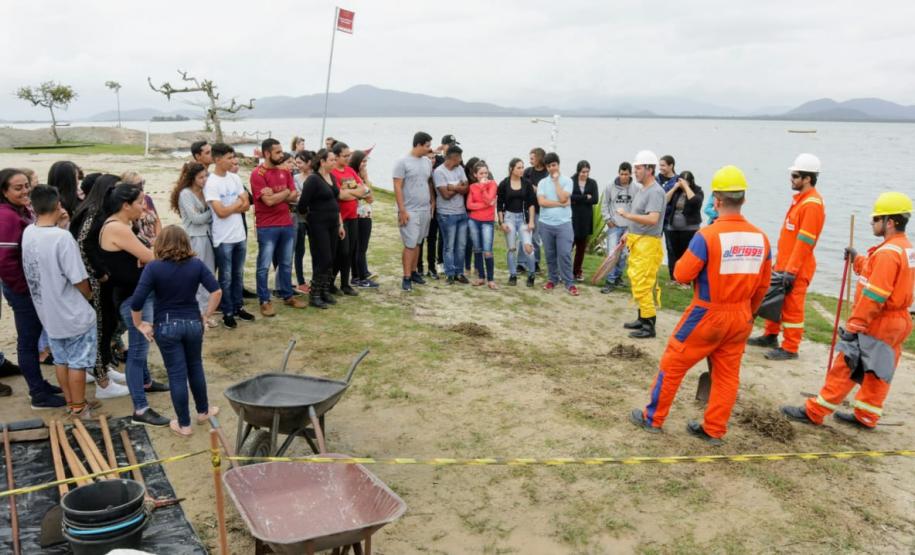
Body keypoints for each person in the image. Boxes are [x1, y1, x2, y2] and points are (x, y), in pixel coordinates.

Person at [630, 165, 771, 445]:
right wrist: (749, 315)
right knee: (727, 375)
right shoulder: (761, 239)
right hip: (741, 315)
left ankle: (653, 418)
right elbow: (763, 286)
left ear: (716, 201)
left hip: (707, 312)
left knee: (673, 363)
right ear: (743, 199)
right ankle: (714, 429)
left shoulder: (707, 236)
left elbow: (682, 274)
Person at [781, 192, 912, 430]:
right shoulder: (905, 249)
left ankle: (814, 411)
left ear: (890, 222)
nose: (872, 223)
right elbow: (880, 274)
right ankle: (867, 415)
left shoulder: (888, 254)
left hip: (878, 320)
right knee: (879, 368)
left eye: (875, 219)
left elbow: (875, 295)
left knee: (846, 364)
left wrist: (855, 325)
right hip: (899, 321)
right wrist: (858, 260)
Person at [131, 225, 222, 436]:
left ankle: (184, 425)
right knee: (195, 367)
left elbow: (136, 301)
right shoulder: (196, 265)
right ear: (185, 242)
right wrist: (206, 315)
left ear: (161, 244)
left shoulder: (153, 268)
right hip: (193, 323)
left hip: (166, 325)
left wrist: (139, 324)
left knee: (176, 374)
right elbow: (216, 291)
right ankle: (203, 411)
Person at [21, 186, 102, 419]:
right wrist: (88, 297)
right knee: (78, 363)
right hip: (72, 311)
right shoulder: (61, 238)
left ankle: (70, 402)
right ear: (58, 205)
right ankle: (79, 407)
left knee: (61, 359)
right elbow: (78, 278)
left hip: (48, 311)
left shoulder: (29, 232)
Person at [97, 183, 171, 426]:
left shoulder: (122, 225)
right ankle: (140, 409)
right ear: (125, 205)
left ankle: (146, 383)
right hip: (132, 299)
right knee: (138, 352)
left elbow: (145, 256)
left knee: (143, 345)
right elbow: (151, 256)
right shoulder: (118, 228)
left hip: (136, 293)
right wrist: (149, 255)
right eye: (140, 202)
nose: (144, 206)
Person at [747, 153, 825, 360]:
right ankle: (770, 335)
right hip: (784, 262)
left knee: (792, 308)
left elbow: (805, 241)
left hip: (797, 267)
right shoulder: (801, 201)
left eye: (796, 176)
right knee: (774, 300)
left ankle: (790, 347)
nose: (791, 179)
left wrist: (791, 270)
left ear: (807, 178)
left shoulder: (812, 205)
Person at [0, 169, 66, 409]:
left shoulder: (21, 210)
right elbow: (5, 261)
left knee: (33, 337)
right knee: (27, 342)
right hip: (22, 291)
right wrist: (25, 289)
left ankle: (39, 385)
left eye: (27, 185)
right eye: (18, 188)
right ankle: (37, 393)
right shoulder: (6, 216)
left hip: (30, 288)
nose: (25, 191)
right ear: (4, 191)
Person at [70, 174, 130, 398]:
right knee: (100, 327)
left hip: (103, 279)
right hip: (95, 281)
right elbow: (83, 242)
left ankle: (103, 368)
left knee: (108, 325)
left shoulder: (99, 209)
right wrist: (98, 273)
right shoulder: (94, 211)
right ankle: (102, 382)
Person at [250, 138, 306, 316]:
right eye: (278, 152)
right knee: (264, 265)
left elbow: (294, 196)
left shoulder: (284, 172)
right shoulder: (257, 174)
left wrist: (276, 194)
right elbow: (268, 201)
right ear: (267, 153)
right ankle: (264, 300)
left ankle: (287, 295)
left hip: (286, 223)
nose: (282, 155)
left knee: (286, 263)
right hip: (267, 226)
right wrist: (283, 194)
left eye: (282, 152)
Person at [204, 143, 255, 328]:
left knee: (238, 274)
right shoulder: (211, 183)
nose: (234, 161)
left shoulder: (234, 178)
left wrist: (231, 206)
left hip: (239, 235)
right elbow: (220, 212)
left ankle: (238, 306)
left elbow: (247, 203)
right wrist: (236, 205)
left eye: (234, 157)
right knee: (225, 277)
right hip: (223, 238)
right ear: (218, 160)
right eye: (229, 157)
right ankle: (227, 311)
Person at [618, 150, 667, 338]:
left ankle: (649, 326)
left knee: (644, 283)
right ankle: (642, 317)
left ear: (649, 169)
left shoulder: (655, 191)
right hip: (637, 240)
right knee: (637, 280)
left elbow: (653, 219)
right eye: (634, 168)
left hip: (648, 243)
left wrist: (627, 216)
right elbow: (639, 217)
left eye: (638, 168)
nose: (634, 172)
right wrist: (627, 232)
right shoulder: (642, 190)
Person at [170, 162, 219, 326]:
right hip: (195, 237)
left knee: (209, 274)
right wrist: (212, 211)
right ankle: (197, 312)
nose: (205, 180)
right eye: (200, 177)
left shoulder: (206, 191)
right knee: (196, 276)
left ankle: (206, 313)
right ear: (192, 178)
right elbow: (195, 219)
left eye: (206, 176)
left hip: (208, 235)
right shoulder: (185, 194)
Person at [297, 149, 344, 309]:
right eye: (331, 160)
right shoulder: (313, 180)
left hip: (333, 223)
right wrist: (312, 217)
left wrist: (340, 223)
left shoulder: (332, 177)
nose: (334, 162)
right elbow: (302, 205)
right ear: (322, 162)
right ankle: (314, 294)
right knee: (322, 258)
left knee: (330, 258)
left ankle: (324, 290)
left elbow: (335, 200)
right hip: (318, 224)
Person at [393, 132, 435, 292]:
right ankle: (406, 277)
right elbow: (397, 186)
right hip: (410, 209)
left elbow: (428, 182)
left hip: (424, 208)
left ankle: (414, 271)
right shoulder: (402, 161)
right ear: (418, 145)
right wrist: (402, 210)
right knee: (410, 244)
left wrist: (432, 201)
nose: (429, 149)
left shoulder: (426, 162)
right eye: (427, 146)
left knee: (418, 242)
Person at [330, 142, 370, 296]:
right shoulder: (332, 173)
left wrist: (351, 192)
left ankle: (345, 284)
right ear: (336, 156)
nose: (348, 158)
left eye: (349, 156)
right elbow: (339, 195)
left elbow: (365, 190)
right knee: (342, 252)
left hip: (353, 216)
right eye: (345, 156)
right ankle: (330, 281)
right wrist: (356, 192)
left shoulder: (350, 171)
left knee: (350, 251)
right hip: (339, 218)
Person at [536, 152, 578, 296]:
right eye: (549, 166)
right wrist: (560, 204)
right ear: (546, 167)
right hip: (545, 224)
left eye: (554, 165)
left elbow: (563, 196)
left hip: (564, 224)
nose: (552, 168)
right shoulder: (542, 183)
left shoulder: (568, 181)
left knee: (565, 253)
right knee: (550, 254)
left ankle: (569, 283)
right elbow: (542, 202)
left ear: (558, 165)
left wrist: (555, 182)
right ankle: (552, 279)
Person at [418, 135, 456, 280]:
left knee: (433, 238)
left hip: (436, 208)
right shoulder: (421, 169)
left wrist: (438, 151)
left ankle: (432, 268)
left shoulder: (439, 166)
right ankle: (419, 267)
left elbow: (450, 160)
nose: (432, 160)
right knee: (420, 239)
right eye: (429, 158)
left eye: (434, 158)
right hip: (422, 207)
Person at [433, 145, 470, 285]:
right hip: (447, 215)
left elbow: (466, 188)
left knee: (461, 245)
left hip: (461, 213)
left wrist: (452, 187)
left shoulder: (460, 169)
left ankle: (459, 272)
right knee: (449, 245)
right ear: (452, 158)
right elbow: (445, 195)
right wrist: (457, 187)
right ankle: (450, 273)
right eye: (459, 157)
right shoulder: (439, 172)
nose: (461, 160)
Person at [497, 157, 536, 287]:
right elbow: (499, 204)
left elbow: (531, 204)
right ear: (511, 169)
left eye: (522, 167)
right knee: (511, 248)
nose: (521, 170)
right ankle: (513, 275)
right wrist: (501, 222)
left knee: (528, 248)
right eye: (518, 167)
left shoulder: (527, 183)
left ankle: (531, 274)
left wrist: (531, 222)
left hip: (523, 219)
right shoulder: (504, 184)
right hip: (509, 218)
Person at [600, 162, 635, 293]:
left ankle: (617, 278)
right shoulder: (610, 186)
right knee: (612, 254)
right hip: (614, 226)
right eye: (621, 174)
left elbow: (638, 207)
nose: (623, 176)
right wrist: (607, 219)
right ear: (618, 173)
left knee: (623, 255)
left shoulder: (636, 188)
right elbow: (604, 203)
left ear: (630, 174)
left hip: (629, 227)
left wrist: (633, 225)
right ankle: (609, 282)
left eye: (626, 174)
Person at [663, 170, 705, 282]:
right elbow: (664, 200)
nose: (683, 183)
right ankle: (673, 278)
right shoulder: (676, 191)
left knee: (686, 254)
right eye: (682, 181)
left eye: (686, 181)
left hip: (689, 229)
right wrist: (675, 188)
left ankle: (685, 280)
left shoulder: (698, 191)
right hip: (673, 228)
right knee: (673, 254)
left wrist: (686, 187)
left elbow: (695, 202)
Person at [466, 162, 499, 289]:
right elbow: (469, 205)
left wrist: (484, 188)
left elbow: (489, 198)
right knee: (477, 249)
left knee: (487, 250)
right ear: (475, 175)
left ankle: (491, 279)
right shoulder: (472, 186)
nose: (484, 175)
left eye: (486, 172)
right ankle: (481, 277)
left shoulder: (492, 184)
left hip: (487, 222)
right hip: (474, 220)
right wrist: (486, 205)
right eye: (481, 173)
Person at [348, 150, 378, 288]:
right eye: (363, 161)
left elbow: (370, 195)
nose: (365, 164)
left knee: (360, 247)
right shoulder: (353, 177)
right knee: (360, 247)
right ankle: (359, 276)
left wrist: (366, 179)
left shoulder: (361, 176)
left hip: (365, 213)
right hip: (359, 214)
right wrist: (365, 179)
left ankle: (360, 274)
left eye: (366, 161)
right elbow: (369, 197)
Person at [570, 160, 599, 281]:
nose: (585, 174)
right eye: (583, 172)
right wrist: (585, 197)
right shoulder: (571, 181)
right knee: (568, 247)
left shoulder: (592, 183)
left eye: (587, 172)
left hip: (586, 219)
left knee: (581, 249)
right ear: (578, 171)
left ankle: (577, 272)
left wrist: (578, 199)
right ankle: (564, 271)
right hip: (572, 218)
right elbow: (569, 197)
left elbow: (595, 199)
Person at [292, 150, 315, 292]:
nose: (297, 165)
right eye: (296, 162)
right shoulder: (295, 178)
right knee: (299, 250)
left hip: (314, 219)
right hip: (299, 218)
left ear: (309, 163)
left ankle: (315, 279)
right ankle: (301, 281)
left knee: (315, 250)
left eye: (300, 162)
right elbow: (295, 197)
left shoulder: (316, 177)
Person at [524, 148, 548, 273]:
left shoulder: (546, 174)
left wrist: (535, 188)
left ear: (539, 158)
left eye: (532, 158)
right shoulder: (527, 172)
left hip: (539, 209)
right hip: (526, 208)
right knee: (523, 236)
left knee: (535, 238)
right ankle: (521, 263)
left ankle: (536, 262)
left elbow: (548, 192)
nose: (530, 161)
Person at [121, 171, 162, 246]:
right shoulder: (127, 205)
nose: (142, 186)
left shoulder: (147, 199)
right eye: (139, 184)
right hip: (139, 244)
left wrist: (158, 240)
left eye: (143, 183)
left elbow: (157, 221)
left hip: (155, 242)